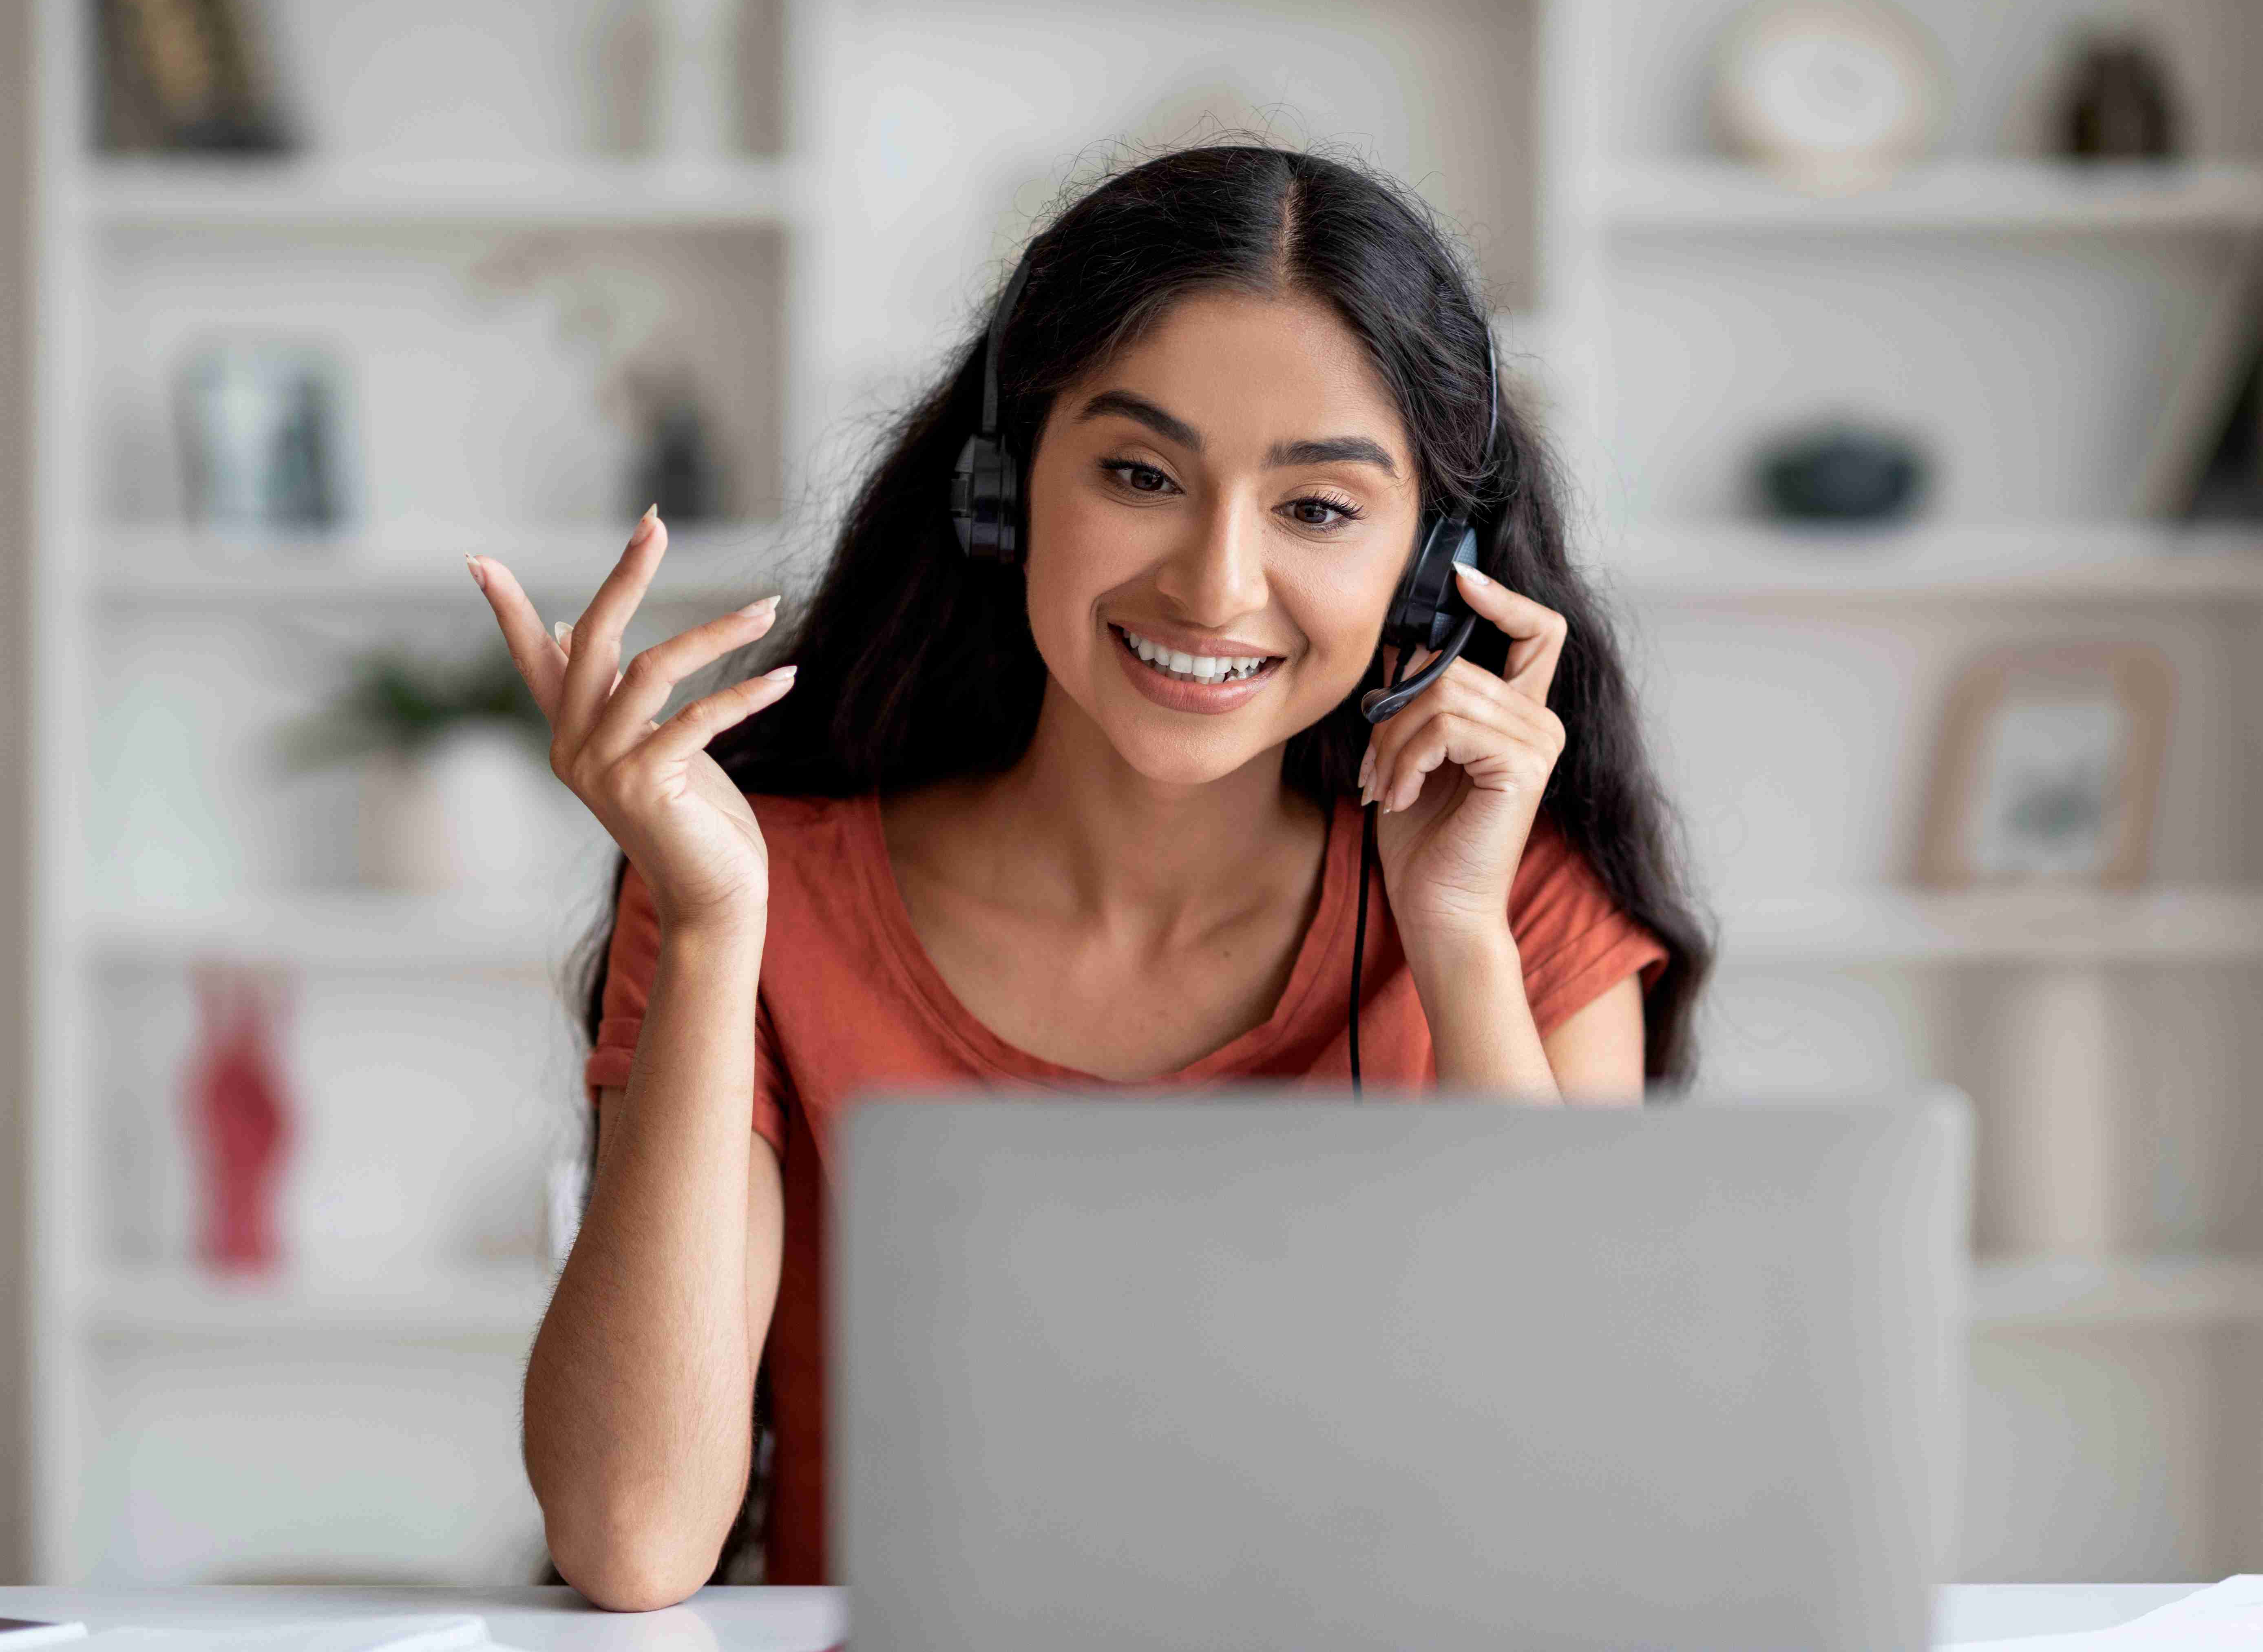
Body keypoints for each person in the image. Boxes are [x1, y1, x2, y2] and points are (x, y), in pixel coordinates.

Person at [468, 144, 1711, 1611]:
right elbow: (631, 1536)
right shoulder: (754, 892)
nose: (1214, 585)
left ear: (1431, 572)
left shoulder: (1513, 907)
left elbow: (1596, 1493)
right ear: (1002, 494)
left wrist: (1457, 946)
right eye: (1139, 474)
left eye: (1317, 509)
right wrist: (718, 920)